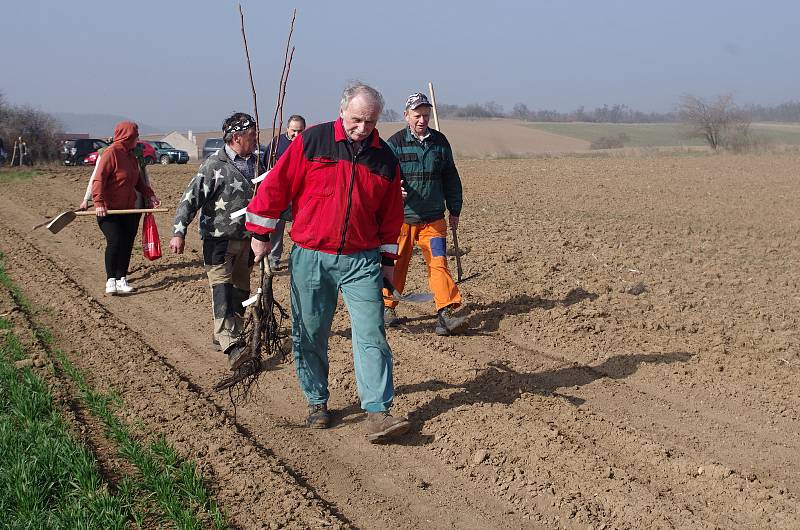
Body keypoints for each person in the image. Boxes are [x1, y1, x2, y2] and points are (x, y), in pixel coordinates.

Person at [245, 83, 409, 442]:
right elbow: (277, 185)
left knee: (371, 334)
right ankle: (316, 402)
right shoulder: (313, 141)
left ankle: (378, 412)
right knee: (310, 332)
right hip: (311, 256)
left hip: (361, 260)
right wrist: (260, 232)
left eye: (370, 121)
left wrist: (386, 260)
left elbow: (390, 215)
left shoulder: (385, 159)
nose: (362, 128)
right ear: (342, 112)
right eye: (356, 119)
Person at [169, 112, 258, 370]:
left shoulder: (257, 164)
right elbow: (190, 199)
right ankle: (231, 345)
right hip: (217, 241)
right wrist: (178, 231)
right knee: (221, 288)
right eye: (251, 136)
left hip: (247, 240)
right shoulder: (213, 166)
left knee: (241, 290)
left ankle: (230, 331)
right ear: (236, 137)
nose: (255, 140)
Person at [383, 93, 468, 336]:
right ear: (406, 116)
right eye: (417, 115)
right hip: (401, 220)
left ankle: (445, 312)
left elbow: (451, 176)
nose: (422, 120)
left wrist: (455, 209)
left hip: (434, 219)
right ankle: (387, 306)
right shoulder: (395, 143)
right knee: (396, 264)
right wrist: (391, 191)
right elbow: (383, 177)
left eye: (426, 115)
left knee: (439, 263)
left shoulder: (440, 142)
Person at [92, 121, 161, 295]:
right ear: (126, 137)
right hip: (109, 211)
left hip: (128, 210)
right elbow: (98, 179)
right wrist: (98, 202)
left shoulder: (131, 156)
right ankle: (111, 280)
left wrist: (149, 195)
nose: (137, 140)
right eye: (135, 136)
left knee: (127, 243)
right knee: (115, 240)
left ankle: (121, 278)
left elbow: (138, 180)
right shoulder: (111, 154)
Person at [259, 114, 306, 270]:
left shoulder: (308, 143)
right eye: (294, 131)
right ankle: (274, 259)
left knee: (302, 227)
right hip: (281, 193)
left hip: (301, 193)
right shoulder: (277, 143)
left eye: (300, 131)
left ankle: (300, 260)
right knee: (277, 226)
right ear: (287, 128)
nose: (296, 135)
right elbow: (265, 166)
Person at [80, 142, 150, 211]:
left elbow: (143, 176)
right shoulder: (107, 153)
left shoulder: (137, 153)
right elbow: (97, 178)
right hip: (111, 205)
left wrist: (150, 197)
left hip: (134, 202)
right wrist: (86, 199)